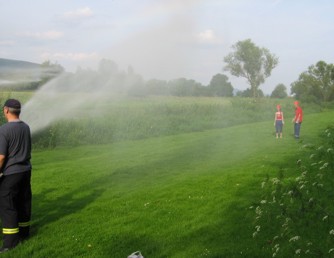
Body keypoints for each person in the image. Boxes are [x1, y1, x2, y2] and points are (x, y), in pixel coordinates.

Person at [0, 99, 32, 253]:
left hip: (11, 173)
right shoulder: (26, 127)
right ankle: (24, 233)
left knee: (8, 206)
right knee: (23, 201)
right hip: (25, 171)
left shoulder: (4, 130)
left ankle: (10, 243)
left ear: (6, 110)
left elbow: (0, 157)